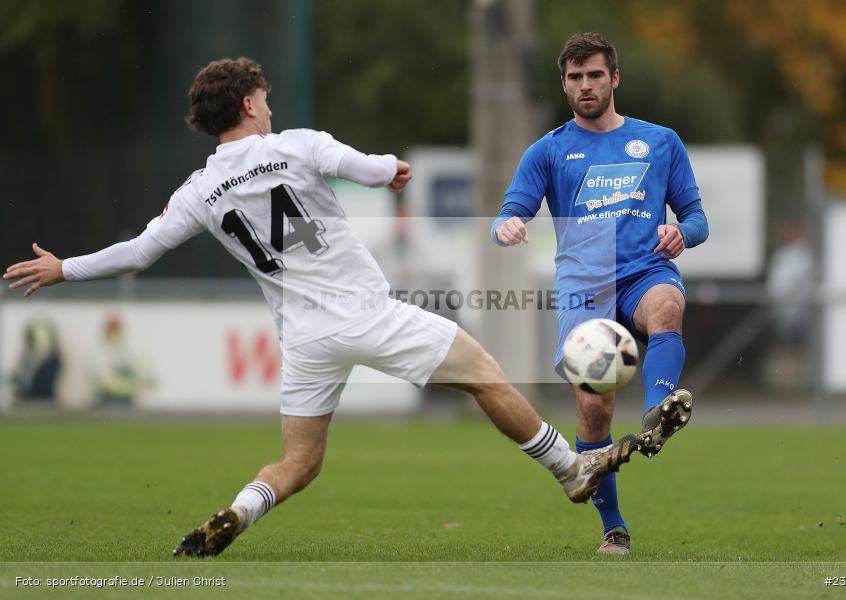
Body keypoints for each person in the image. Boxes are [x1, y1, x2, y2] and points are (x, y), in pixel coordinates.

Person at [4, 57, 638, 558]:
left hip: (305, 340)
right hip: (367, 314)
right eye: (266, 99)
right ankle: (568, 470)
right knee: (483, 372)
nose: (271, 108)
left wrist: (66, 268)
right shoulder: (298, 144)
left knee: (299, 463)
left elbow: (138, 253)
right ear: (249, 104)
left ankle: (240, 510)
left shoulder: (198, 192)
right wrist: (391, 168)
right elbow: (367, 168)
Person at [492, 33, 709, 555]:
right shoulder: (547, 150)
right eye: (574, 78)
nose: (585, 86)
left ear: (614, 78)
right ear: (564, 84)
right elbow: (510, 211)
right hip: (584, 287)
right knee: (594, 410)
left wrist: (683, 233)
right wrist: (507, 227)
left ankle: (660, 410)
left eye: (594, 75)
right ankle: (613, 526)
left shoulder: (659, 142)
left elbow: (697, 217)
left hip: (642, 271)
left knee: (668, 307)